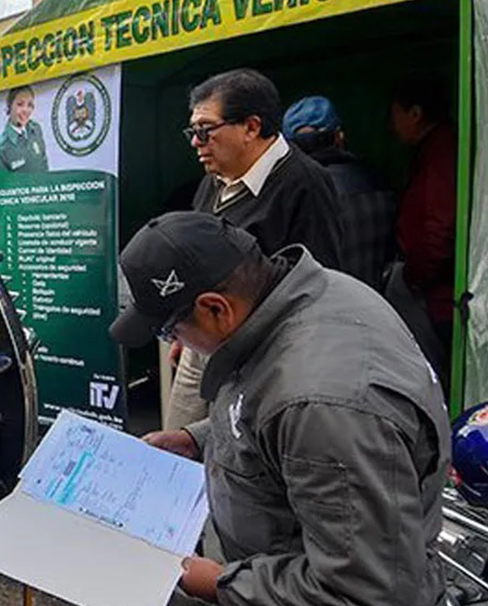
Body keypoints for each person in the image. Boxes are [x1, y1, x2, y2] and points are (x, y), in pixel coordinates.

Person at [112, 211, 449, 606]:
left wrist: (215, 582)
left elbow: (364, 590)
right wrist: (197, 440)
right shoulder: (317, 294)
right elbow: (266, 409)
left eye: (170, 330)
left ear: (217, 308)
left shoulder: (323, 406)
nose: (176, 344)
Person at [165, 69, 344, 431]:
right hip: (202, 344)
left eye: (205, 130)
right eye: (192, 132)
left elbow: (319, 285)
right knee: (177, 445)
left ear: (251, 126)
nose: (196, 143)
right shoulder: (212, 183)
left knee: (240, 456)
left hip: (264, 357)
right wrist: (185, 332)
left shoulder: (304, 184)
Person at [283, 95, 396, 291]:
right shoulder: (377, 181)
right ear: (339, 136)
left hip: (327, 310)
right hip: (377, 304)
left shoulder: (295, 196)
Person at [391, 73, 457, 375]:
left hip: (439, 297)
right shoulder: (433, 151)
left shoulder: (440, 153)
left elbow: (439, 227)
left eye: (396, 114)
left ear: (415, 114)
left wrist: (415, 275)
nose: (393, 125)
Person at [0, 85, 49, 173]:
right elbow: (1, 185)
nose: (25, 110)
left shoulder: (36, 129)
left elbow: (45, 166)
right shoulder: (0, 150)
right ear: (9, 106)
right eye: (20, 104)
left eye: (29, 105)